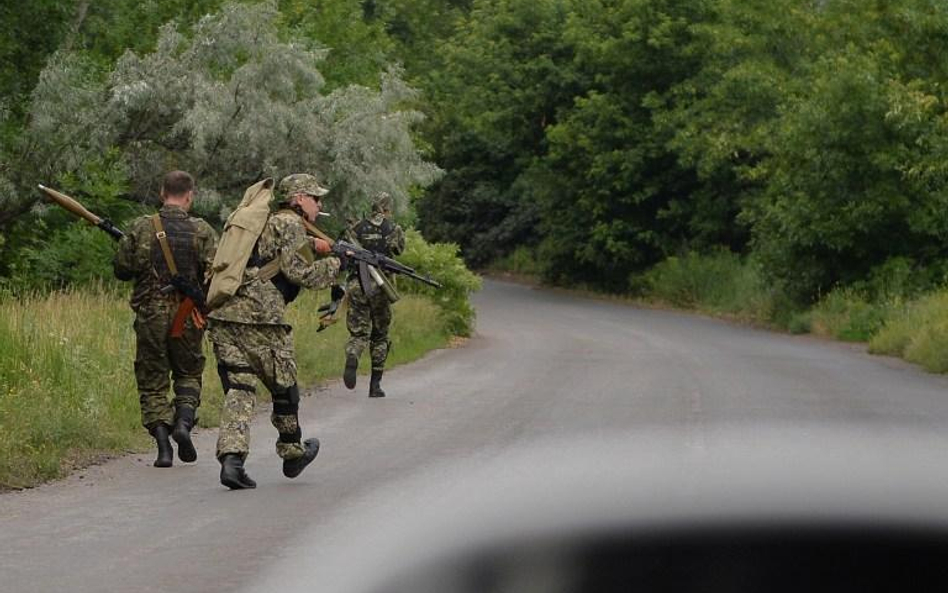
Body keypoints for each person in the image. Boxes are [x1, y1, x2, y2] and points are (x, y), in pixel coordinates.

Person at [208, 173, 341, 490]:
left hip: (225, 313)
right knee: (285, 385)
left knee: (240, 388)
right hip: (262, 318)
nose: (319, 204)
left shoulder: (260, 220)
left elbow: (274, 258)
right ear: (298, 199)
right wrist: (338, 265)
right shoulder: (290, 223)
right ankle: (293, 453)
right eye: (315, 198)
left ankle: (232, 460)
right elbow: (300, 273)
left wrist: (316, 247)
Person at [113, 170, 218, 468]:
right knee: (188, 373)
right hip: (187, 315)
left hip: (150, 314)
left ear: (162, 193)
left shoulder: (140, 227)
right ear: (189, 196)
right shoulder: (202, 230)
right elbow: (216, 274)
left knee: (152, 380)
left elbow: (122, 269)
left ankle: (163, 447)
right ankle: (183, 423)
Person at [342, 192, 406, 398]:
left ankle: (353, 355)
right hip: (381, 287)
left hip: (357, 285)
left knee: (358, 333)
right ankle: (375, 386)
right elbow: (398, 250)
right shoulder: (393, 229)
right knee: (380, 335)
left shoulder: (356, 228)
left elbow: (343, 256)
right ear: (387, 209)